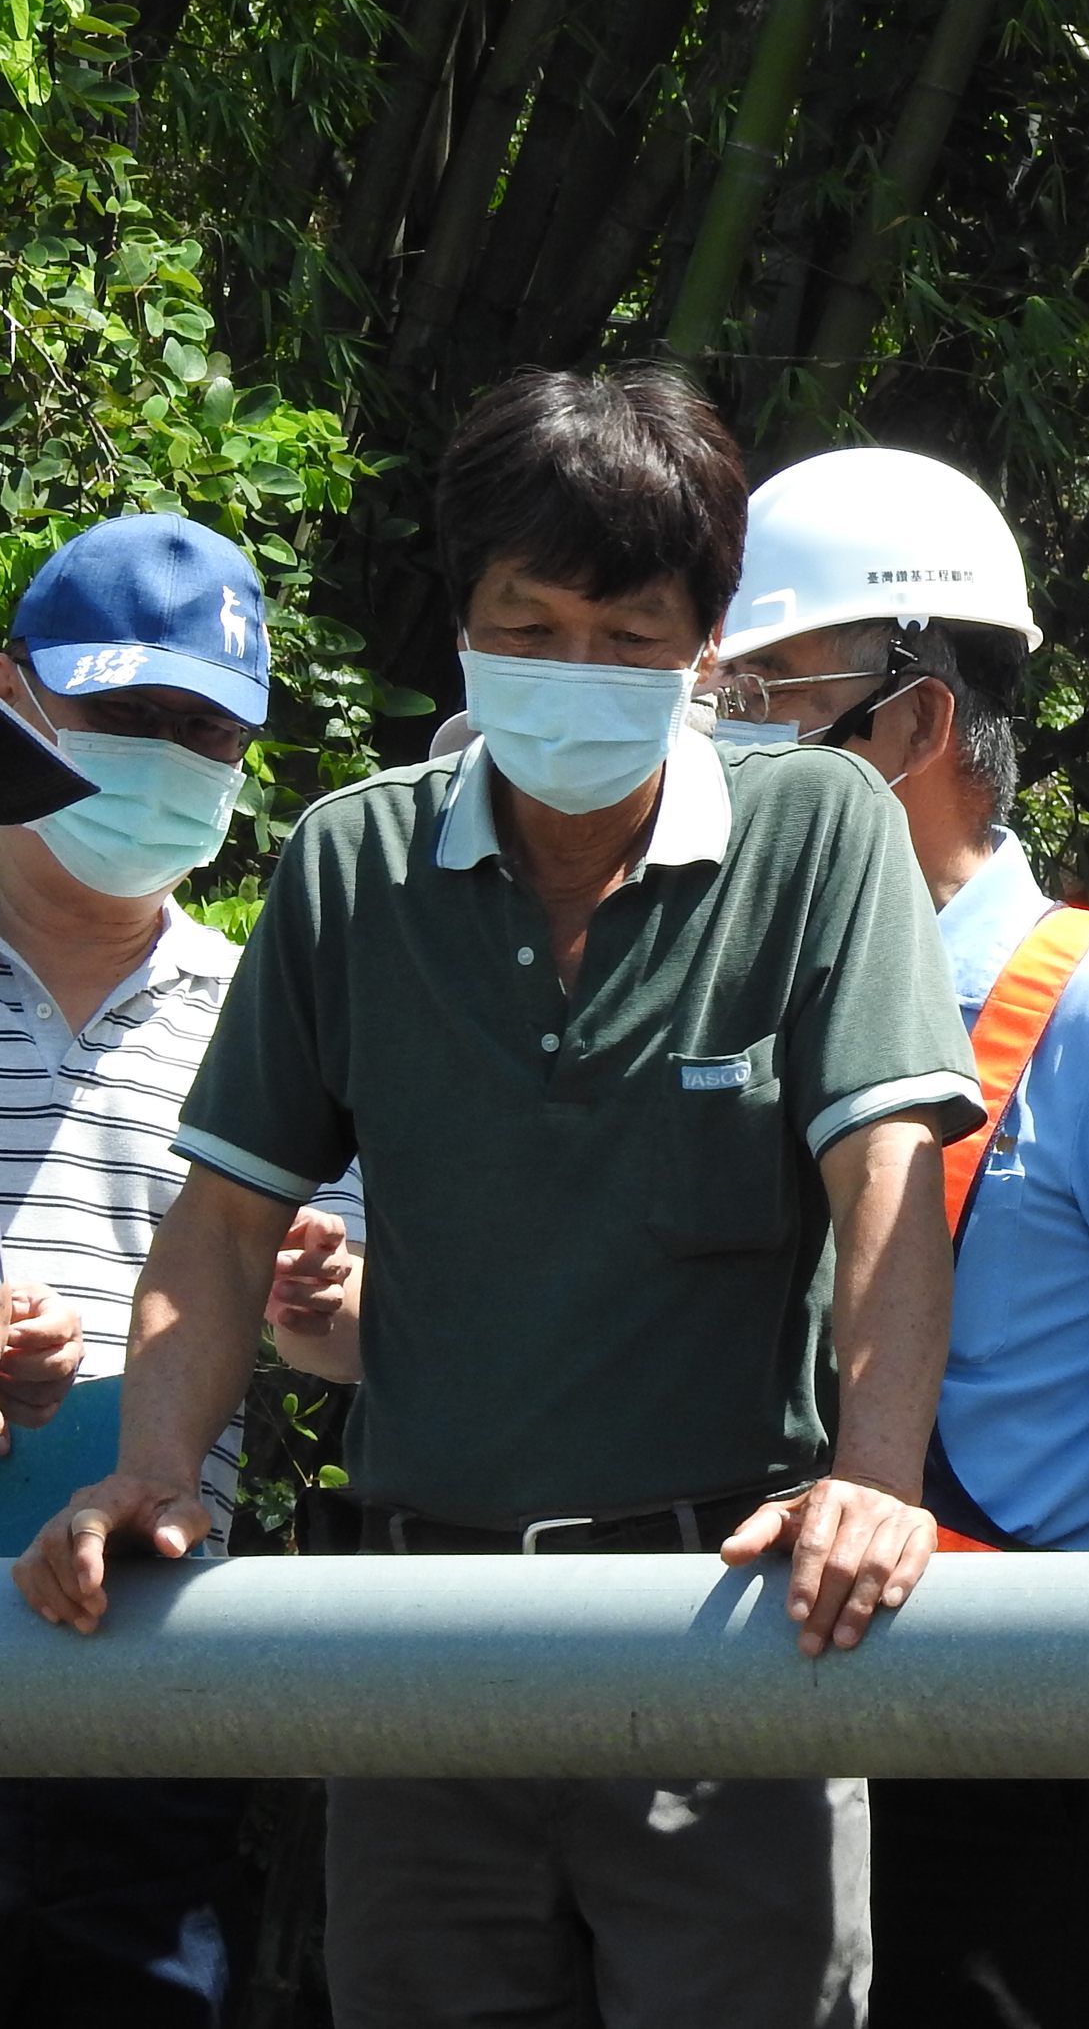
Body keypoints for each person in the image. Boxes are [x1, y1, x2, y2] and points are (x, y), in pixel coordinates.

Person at [13, 367, 983, 2029]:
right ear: (460, 620)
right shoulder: (350, 865)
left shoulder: (816, 833)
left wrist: (875, 1479)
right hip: (420, 1657)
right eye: (525, 625)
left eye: (627, 634)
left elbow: (887, 1174)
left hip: (726, 1638)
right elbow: (227, 1217)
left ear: (705, 639)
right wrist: (151, 1468)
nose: (573, 671)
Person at [707, 445, 1089, 2023]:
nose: (725, 736)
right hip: (734, 1702)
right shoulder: (728, 996)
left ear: (919, 719)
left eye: (767, 692)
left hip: (1009, 1729)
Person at [0, 515, 361, 2028]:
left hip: (134, 1663)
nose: (166, 758)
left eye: (206, 729)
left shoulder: (264, 1008)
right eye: (127, 714)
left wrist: (337, 1312)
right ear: (12, 692)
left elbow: (351, 1358)